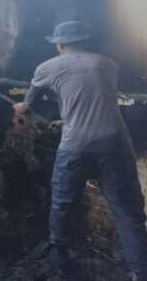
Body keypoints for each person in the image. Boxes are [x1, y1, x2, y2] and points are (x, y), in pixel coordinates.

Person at [13, 21, 147, 279]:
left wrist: (20, 108)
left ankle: (61, 265)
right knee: (128, 213)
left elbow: (27, 106)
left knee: (62, 204)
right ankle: (141, 272)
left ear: (59, 45)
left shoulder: (46, 68)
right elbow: (94, 101)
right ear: (83, 42)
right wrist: (68, 119)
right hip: (116, 146)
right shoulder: (108, 64)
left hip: (76, 146)